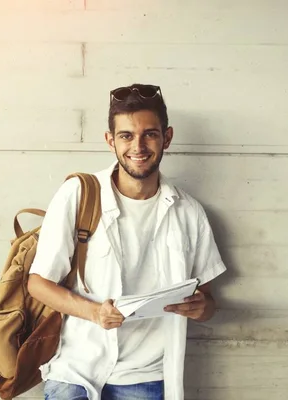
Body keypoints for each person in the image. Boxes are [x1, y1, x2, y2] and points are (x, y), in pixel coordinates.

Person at [27, 84, 227, 400]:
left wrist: (201, 308)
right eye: (126, 136)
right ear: (110, 140)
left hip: (145, 375)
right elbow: (38, 284)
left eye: (150, 134)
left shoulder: (189, 213)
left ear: (167, 137)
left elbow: (208, 303)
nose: (138, 146)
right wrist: (94, 313)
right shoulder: (78, 195)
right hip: (76, 368)